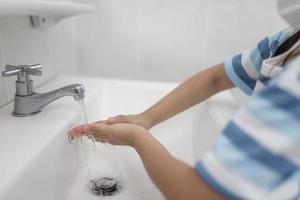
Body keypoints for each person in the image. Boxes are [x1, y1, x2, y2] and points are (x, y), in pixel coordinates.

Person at [68, 1, 300, 199]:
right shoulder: (286, 41)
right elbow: (215, 78)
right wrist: (145, 119)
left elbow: (197, 194)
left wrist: (136, 137)